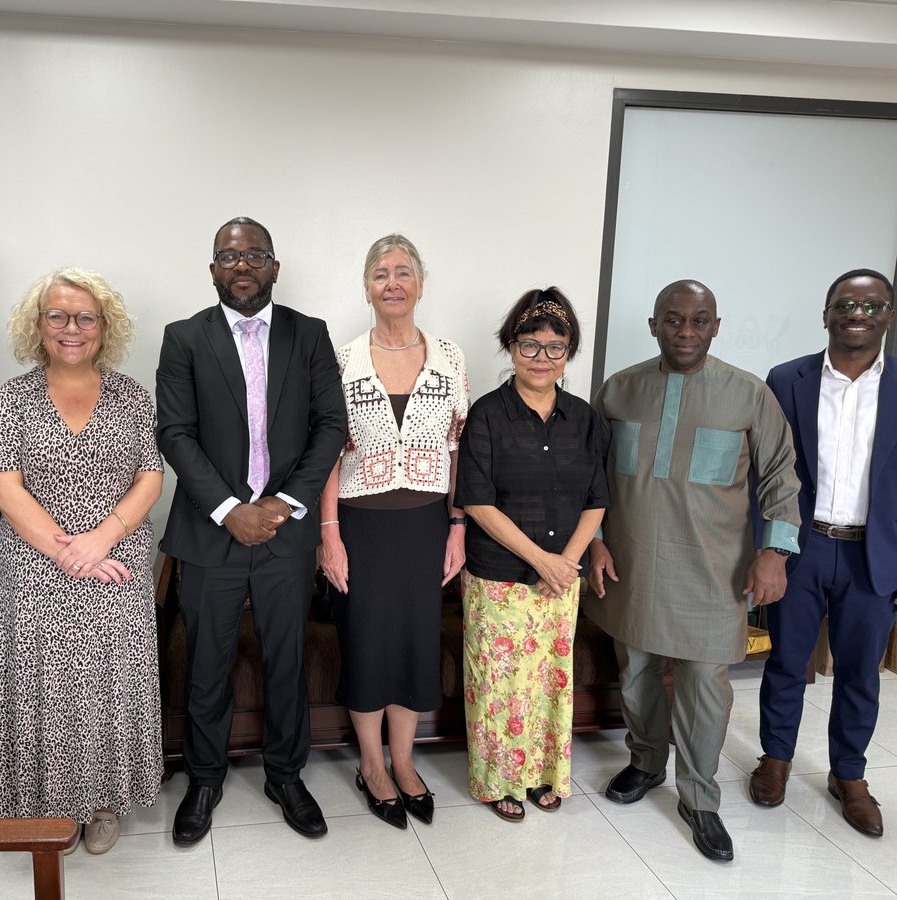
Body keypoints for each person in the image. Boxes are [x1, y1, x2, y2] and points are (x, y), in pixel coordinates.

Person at [585, 279, 801, 863]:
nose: (686, 331)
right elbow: (592, 478)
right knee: (636, 673)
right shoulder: (620, 390)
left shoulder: (747, 393)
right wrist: (597, 543)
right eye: (673, 320)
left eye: (698, 320)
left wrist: (775, 552)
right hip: (630, 562)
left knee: (706, 686)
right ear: (653, 324)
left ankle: (700, 797)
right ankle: (646, 762)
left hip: (714, 569)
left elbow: (782, 474)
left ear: (715, 325)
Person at [156, 216, 347, 845]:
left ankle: (285, 774)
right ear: (212, 269)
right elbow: (174, 432)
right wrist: (229, 508)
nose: (243, 266)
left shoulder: (309, 335)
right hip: (210, 530)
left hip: (286, 530)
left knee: (285, 658)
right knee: (206, 661)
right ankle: (204, 779)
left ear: (275, 266)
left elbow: (329, 427)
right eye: (229, 257)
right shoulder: (184, 337)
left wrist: (286, 503)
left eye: (256, 255)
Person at [0, 267, 164, 854]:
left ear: (103, 327)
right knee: (47, 688)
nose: (71, 328)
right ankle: (49, 805)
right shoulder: (13, 396)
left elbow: (150, 477)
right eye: (57, 315)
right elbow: (3, 487)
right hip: (37, 566)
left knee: (111, 686)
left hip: (116, 563)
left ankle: (103, 802)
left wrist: (102, 539)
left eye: (85, 317)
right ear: (37, 326)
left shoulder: (132, 395)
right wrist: (70, 548)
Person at [320, 234, 468, 830]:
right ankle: (373, 767)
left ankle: (405, 764)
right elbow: (326, 453)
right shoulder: (343, 359)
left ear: (421, 284)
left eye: (403, 272)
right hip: (360, 524)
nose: (393, 282)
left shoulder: (451, 357)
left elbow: (458, 450)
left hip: (427, 525)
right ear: (366, 287)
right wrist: (328, 534)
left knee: (413, 645)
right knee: (366, 643)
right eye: (381, 273)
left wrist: (457, 527)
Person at [750, 268, 897, 838]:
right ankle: (776, 760)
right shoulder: (786, 379)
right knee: (788, 661)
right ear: (826, 312)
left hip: (873, 555)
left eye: (872, 304)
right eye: (845, 303)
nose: (857, 312)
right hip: (801, 547)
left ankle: (850, 777)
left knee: (861, 673)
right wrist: (767, 548)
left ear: (888, 315)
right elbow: (766, 472)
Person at [455, 287, 607, 823]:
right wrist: (542, 560)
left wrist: (563, 562)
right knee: (500, 685)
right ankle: (499, 781)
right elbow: (476, 500)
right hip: (500, 576)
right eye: (529, 345)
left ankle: (544, 774)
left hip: (563, 579)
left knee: (549, 681)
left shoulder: (585, 419)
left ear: (569, 352)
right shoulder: (488, 415)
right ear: (510, 348)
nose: (541, 358)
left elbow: (597, 500)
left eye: (555, 347)